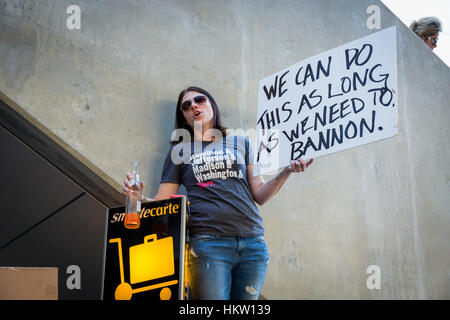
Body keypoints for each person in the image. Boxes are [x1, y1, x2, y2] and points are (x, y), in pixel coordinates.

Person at [122, 86, 314, 300]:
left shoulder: (242, 143)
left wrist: (285, 172)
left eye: (199, 99)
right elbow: (163, 204)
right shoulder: (178, 152)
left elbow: (260, 193)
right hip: (208, 244)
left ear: (212, 105)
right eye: (186, 105)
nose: (194, 105)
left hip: (253, 243)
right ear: (184, 118)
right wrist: (137, 199)